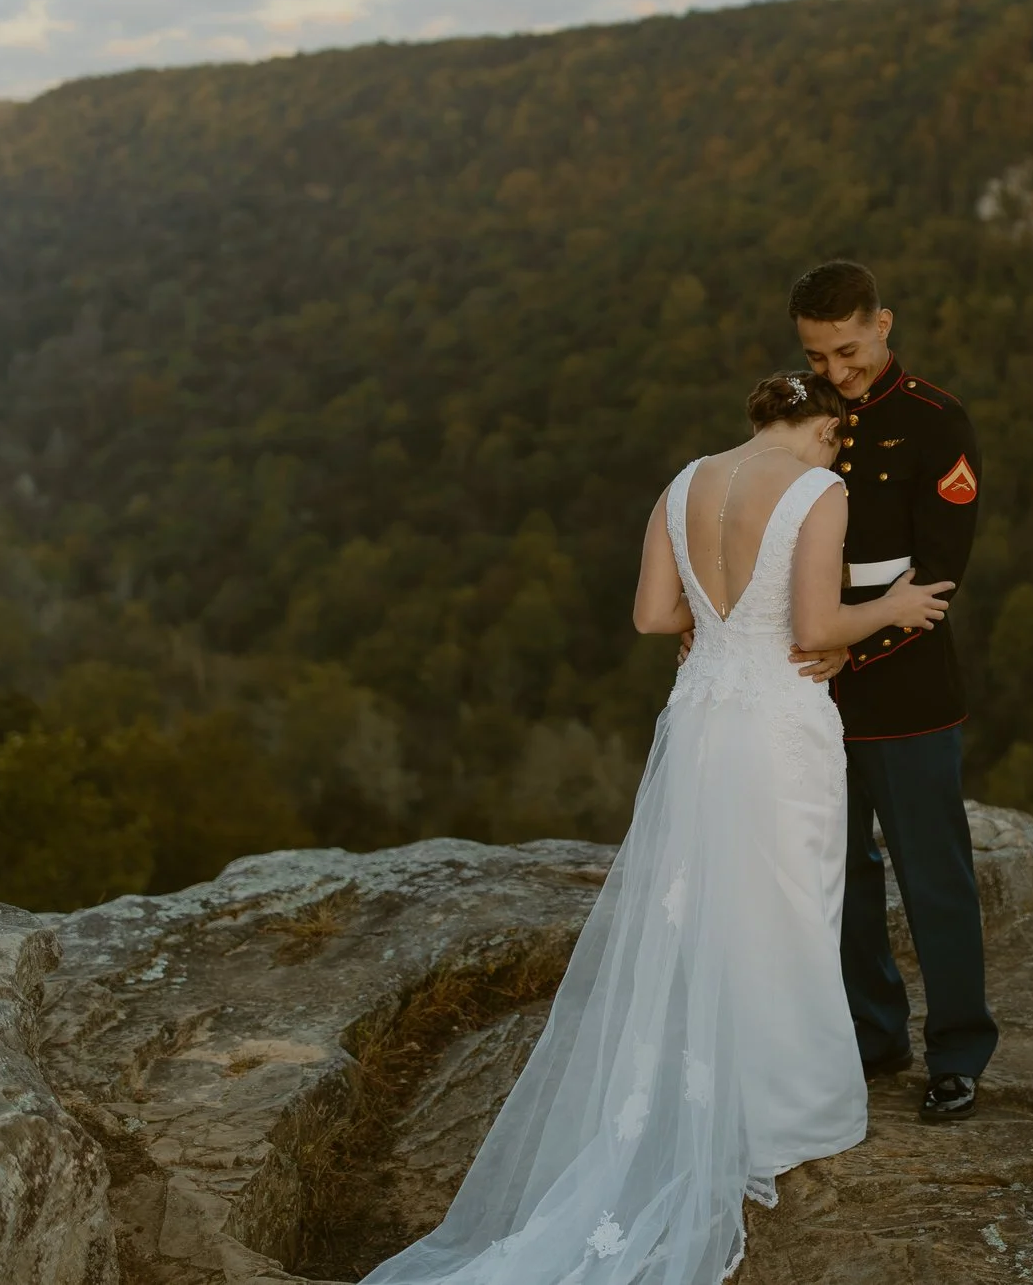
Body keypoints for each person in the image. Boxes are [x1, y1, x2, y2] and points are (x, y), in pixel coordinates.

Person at [363, 370, 953, 1285]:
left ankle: (705, 1093)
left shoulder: (684, 483)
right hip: (777, 722)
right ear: (822, 424)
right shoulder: (819, 490)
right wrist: (894, 608)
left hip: (704, 715)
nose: (839, 451)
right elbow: (813, 623)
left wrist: (710, 626)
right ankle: (787, 1110)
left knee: (707, 904)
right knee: (790, 904)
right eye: (838, 436)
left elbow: (650, 616)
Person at [788, 260, 997, 1124]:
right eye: (816, 355)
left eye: (847, 350)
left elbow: (940, 575)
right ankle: (873, 1034)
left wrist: (849, 643)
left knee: (932, 875)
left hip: (905, 689)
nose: (835, 373)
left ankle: (957, 1049)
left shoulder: (934, 420)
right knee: (838, 876)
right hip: (810, 694)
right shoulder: (801, 414)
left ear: (883, 323)